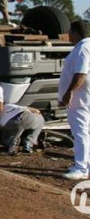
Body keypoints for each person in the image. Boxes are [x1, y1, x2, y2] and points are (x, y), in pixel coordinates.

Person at [58, 20, 90, 180]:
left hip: (80, 99)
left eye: (70, 31)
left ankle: (81, 168)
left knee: (80, 132)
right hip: (85, 96)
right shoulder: (86, 46)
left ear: (76, 32)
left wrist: (69, 92)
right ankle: (86, 164)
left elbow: (81, 73)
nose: (68, 34)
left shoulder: (83, 49)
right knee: (86, 132)